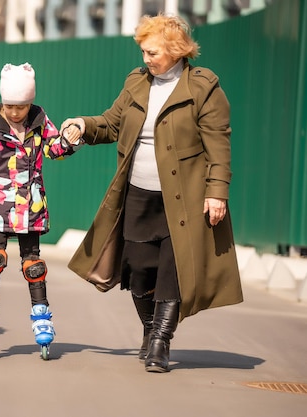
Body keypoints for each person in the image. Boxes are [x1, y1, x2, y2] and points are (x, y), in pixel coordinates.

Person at [61, 14, 243, 372]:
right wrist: (82, 126)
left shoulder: (203, 89)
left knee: (172, 271)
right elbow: (111, 123)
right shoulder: (136, 82)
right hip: (138, 193)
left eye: (153, 52)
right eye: (143, 51)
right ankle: (149, 329)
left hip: (185, 198)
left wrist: (216, 192)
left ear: (176, 51)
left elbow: (219, 147)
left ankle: (160, 341)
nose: (146, 58)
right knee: (138, 270)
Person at [0, 62, 78, 359]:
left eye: (21, 106)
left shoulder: (40, 121)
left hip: (31, 204)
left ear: (29, 103)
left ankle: (41, 317)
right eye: (10, 105)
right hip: (0, 202)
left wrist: (70, 140)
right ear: (2, 102)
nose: (15, 112)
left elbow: (54, 149)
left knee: (33, 264)